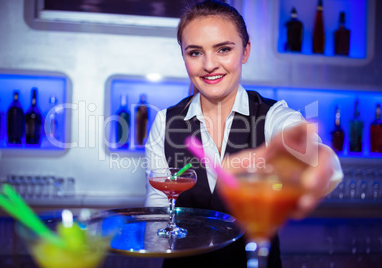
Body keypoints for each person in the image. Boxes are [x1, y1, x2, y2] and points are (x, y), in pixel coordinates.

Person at [145, 0, 343, 267]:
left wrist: (313, 162)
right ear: (184, 57)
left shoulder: (272, 115)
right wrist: (156, 240)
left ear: (245, 51)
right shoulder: (165, 121)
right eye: (195, 53)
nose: (209, 64)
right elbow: (157, 204)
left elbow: (309, 148)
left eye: (223, 49)